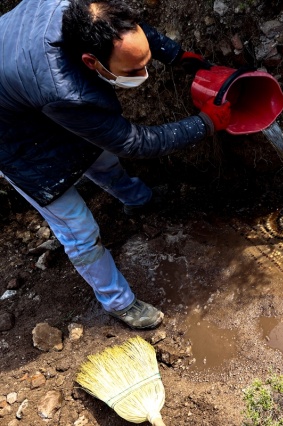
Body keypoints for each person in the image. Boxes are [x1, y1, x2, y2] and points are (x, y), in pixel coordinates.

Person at [0, 0, 231, 329]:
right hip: (13, 142)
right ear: (90, 62)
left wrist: (176, 54)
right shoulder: (66, 91)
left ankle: (137, 200)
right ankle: (119, 303)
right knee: (78, 230)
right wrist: (205, 123)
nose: (143, 75)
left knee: (101, 156)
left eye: (145, 63)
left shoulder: (89, 12)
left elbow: (128, 31)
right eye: (133, 72)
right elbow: (135, 142)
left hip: (21, 86)